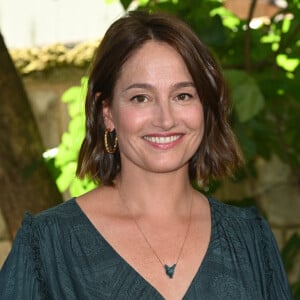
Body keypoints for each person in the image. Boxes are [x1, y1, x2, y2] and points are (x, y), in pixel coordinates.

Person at [0, 10, 292, 300]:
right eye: (141, 98)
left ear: (205, 107)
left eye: (182, 96)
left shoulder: (250, 241)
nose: (165, 119)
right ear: (107, 113)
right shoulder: (47, 249)